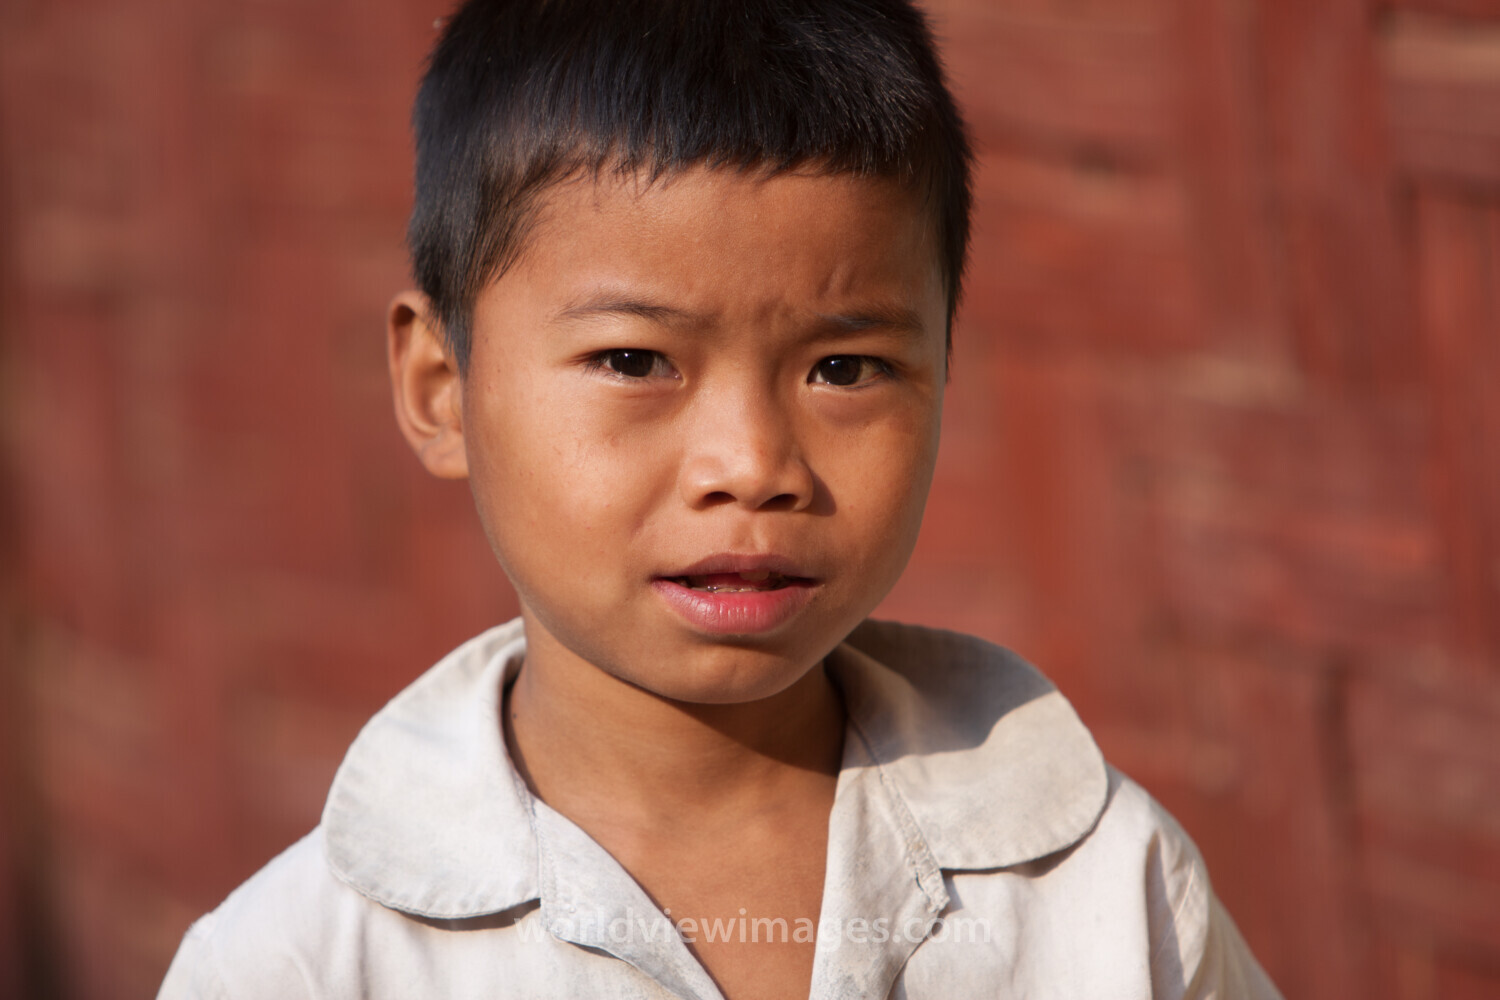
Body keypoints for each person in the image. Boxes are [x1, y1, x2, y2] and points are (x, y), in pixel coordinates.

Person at [158, 1, 1282, 997]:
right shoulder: (301, 964)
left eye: (844, 369)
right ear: (440, 390)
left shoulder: (1103, 883)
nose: (752, 465)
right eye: (636, 361)